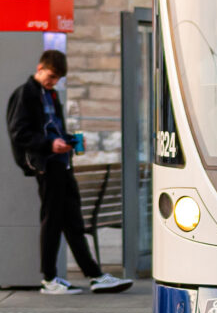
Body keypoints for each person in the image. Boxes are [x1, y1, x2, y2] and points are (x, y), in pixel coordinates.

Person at [7, 48, 127, 294]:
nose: (53, 82)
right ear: (40, 69)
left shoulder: (49, 94)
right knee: (53, 220)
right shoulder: (26, 94)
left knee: (72, 220)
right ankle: (50, 278)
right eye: (51, 76)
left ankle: (94, 274)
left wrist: (67, 140)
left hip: (60, 163)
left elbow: (52, 128)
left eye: (57, 79)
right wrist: (50, 144)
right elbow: (19, 132)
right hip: (47, 164)